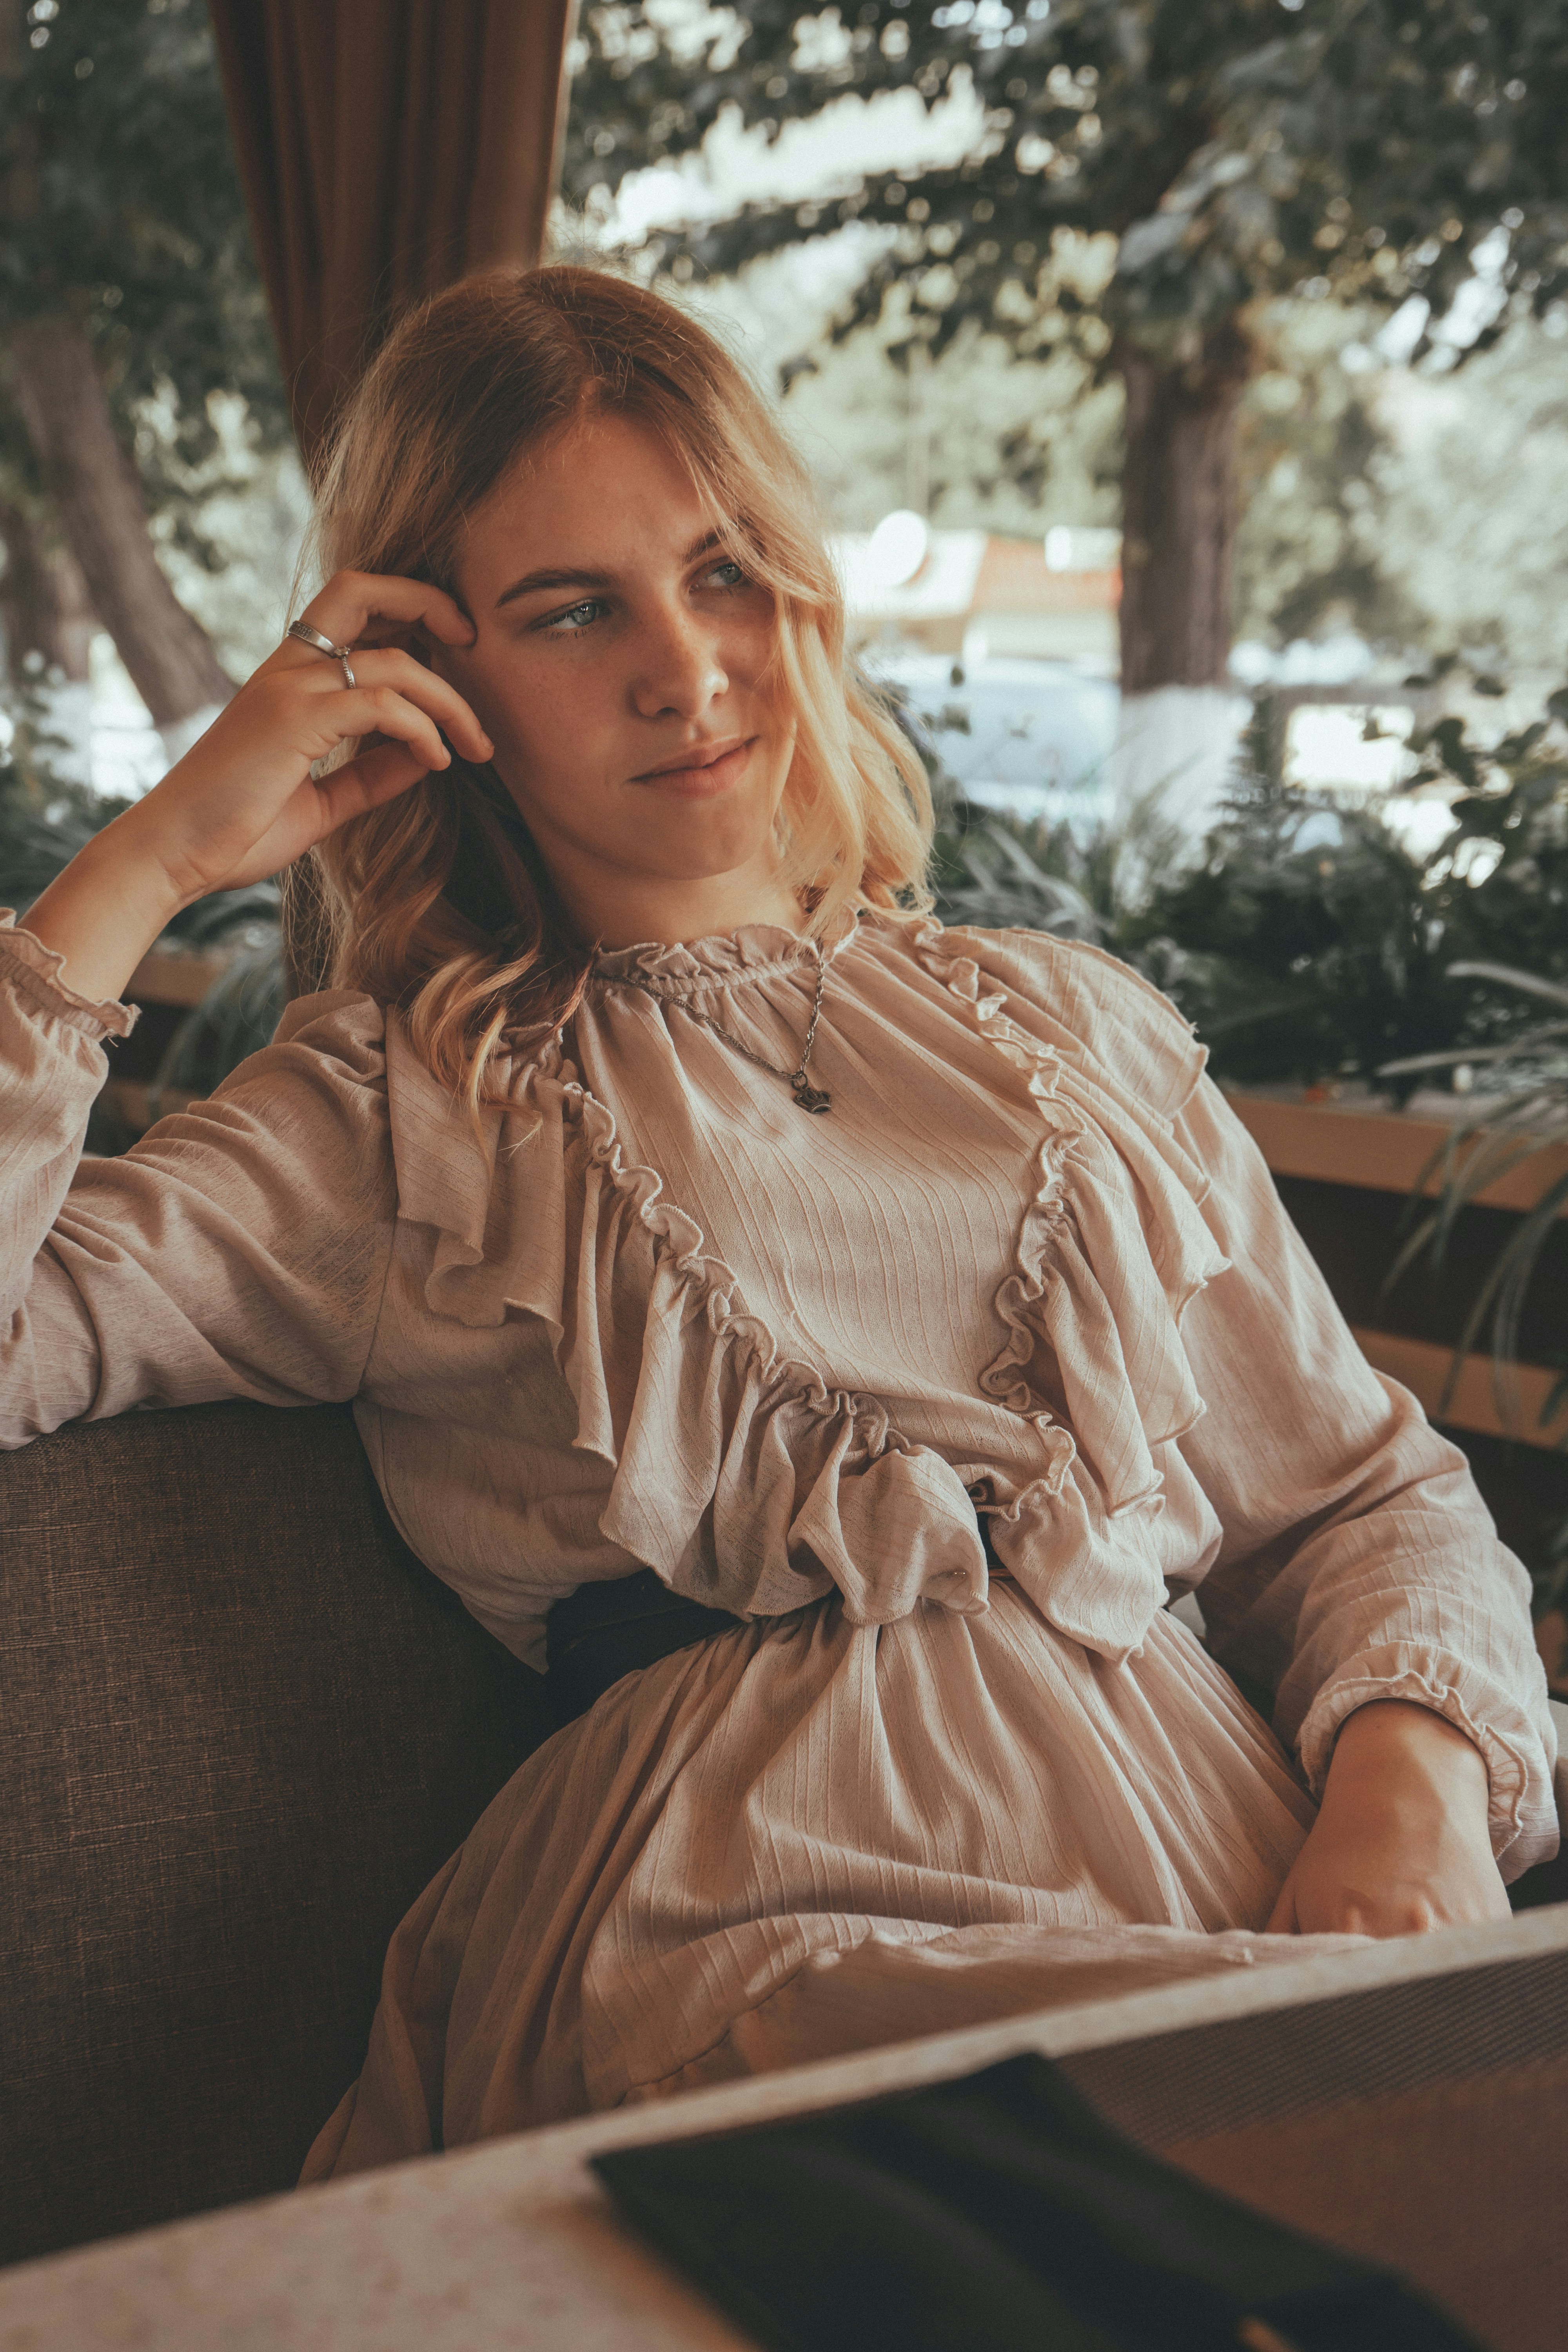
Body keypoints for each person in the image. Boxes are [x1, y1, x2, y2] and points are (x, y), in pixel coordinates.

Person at [2, 267, 1554, 2179]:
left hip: (1225, 1875)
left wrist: (1403, 1790)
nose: (687, 667)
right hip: (760, 1930)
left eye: (723, 569)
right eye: (576, 610)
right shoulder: (396, 1116)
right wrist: (156, 856)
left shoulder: (1064, 1030)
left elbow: (1359, 1500)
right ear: (437, 673)